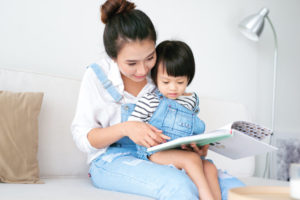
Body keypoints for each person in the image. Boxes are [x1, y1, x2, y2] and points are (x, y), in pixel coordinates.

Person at [71, 0, 245, 199]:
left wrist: (193, 144)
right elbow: (83, 138)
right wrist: (126, 128)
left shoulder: (162, 74)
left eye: (149, 57)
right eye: (131, 63)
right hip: (113, 158)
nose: (143, 70)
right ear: (113, 57)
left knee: (234, 189)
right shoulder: (97, 77)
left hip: (162, 154)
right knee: (180, 184)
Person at [128, 40, 221, 200]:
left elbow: (191, 128)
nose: (173, 88)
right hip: (155, 152)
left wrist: (199, 143)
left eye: (180, 82)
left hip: (182, 152)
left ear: (188, 79)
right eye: (166, 82)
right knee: (191, 160)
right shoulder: (151, 100)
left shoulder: (191, 101)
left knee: (210, 167)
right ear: (155, 77)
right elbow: (132, 126)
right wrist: (148, 136)